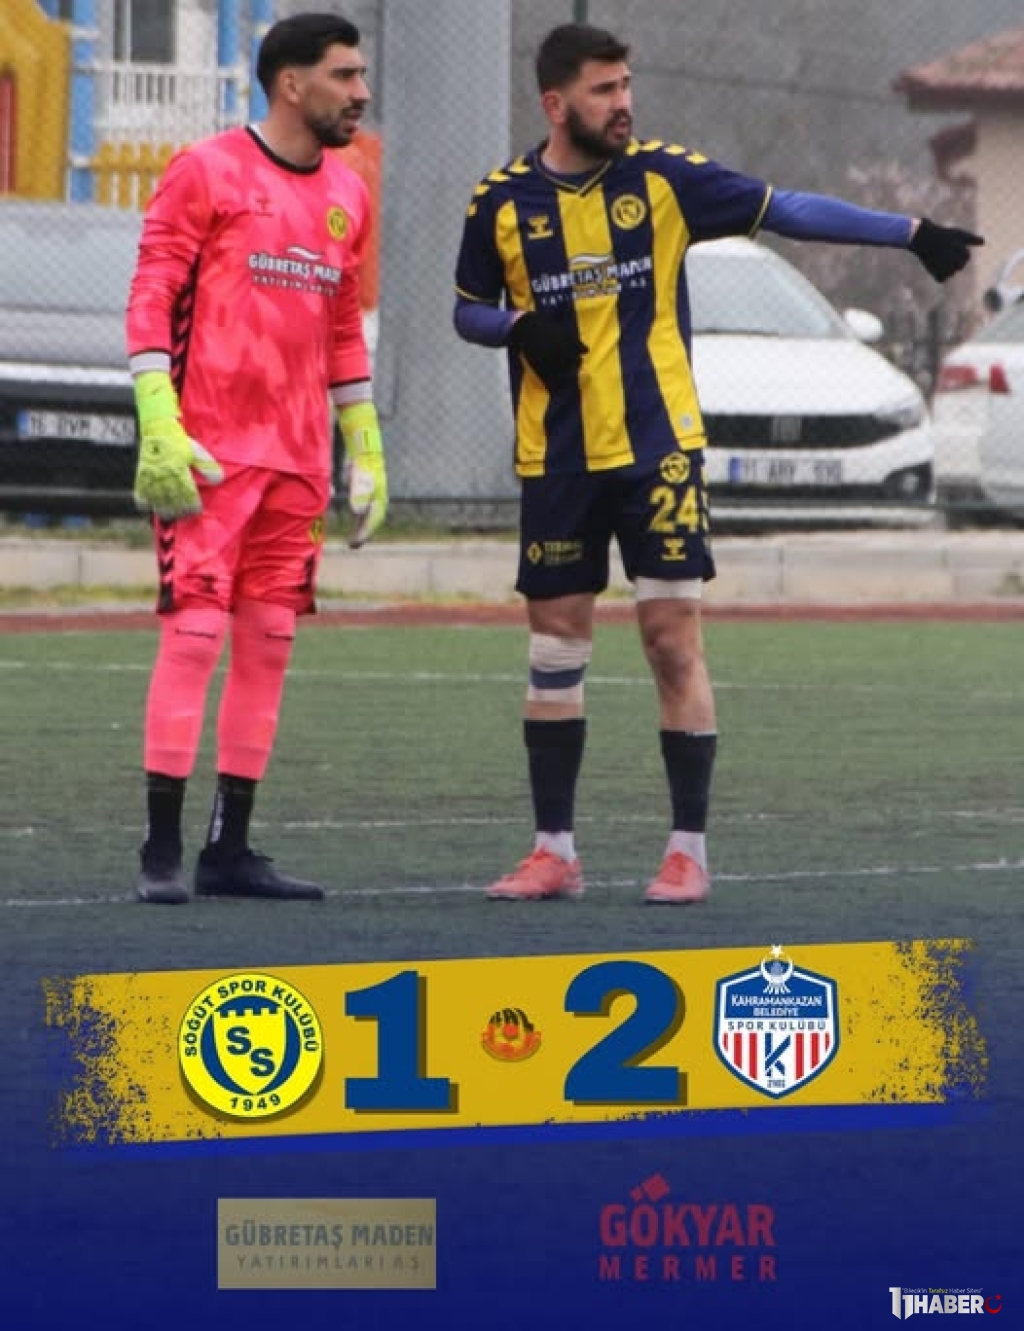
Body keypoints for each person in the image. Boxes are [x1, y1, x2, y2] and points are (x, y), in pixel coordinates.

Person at [453, 22, 982, 905]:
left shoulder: (666, 178)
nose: (623, 103)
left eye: (626, 85)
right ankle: (554, 852)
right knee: (555, 648)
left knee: (672, 642)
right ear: (555, 103)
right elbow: (467, 308)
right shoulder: (501, 201)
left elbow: (789, 209)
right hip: (557, 457)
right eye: (603, 90)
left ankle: (687, 851)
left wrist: (911, 231)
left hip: (659, 451)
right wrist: (517, 326)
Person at [126, 12, 387, 904]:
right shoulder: (206, 169)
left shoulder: (349, 190)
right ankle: (161, 851)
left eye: (361, 75)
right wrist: (157, 417)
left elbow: (343, 327)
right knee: (196, 636)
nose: (360, 92)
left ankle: (228, 851)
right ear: (291, 83)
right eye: (345, 75)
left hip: (297, 461)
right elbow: (152, 290)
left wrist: (364, 444)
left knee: (269, 643)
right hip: (207, 452)